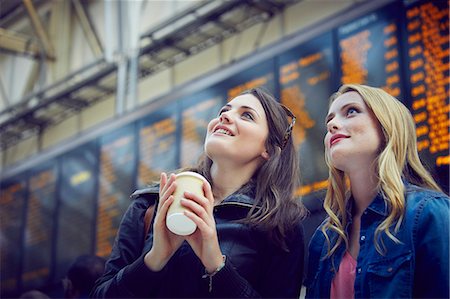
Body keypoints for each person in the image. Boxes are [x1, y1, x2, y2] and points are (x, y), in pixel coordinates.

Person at [91, 87, 306, 298]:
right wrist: (154, 259)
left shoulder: (281, 227)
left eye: (247, 115)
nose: (225, 117)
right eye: (224, 111)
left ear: (268, 149)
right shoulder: (149, 205)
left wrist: (217, 266)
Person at [305, 84, 449, 298]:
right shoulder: (323, 240)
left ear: (386, 127)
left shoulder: (429, 213)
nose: (333, 124)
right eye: (329, 121)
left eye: (351, 111)